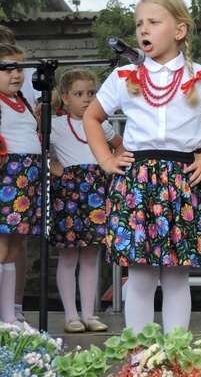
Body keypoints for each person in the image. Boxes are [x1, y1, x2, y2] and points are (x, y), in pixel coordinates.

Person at [83, 0, 201, 340]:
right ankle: (140, 353)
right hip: (138, 180)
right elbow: (92, 117)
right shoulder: (125, 75)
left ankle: (174, 352)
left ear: (179, 30)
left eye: (154, 22)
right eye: (139, 24)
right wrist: (107, 159)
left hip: (183, 178)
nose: (144, 29)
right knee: (139, 275)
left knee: (176, 275)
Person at [50, 68, 124, 333]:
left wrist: (113, 163)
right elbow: (35, 147)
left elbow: (121, 146)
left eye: (91, 93)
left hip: (96, 191)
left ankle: (89, 314)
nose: (86, 98)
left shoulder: (101, 125)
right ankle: (71, 315)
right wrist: (54, 168)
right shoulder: (55, 124)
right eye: (78, 94)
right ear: (65, 98)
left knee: (92, 256)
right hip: (68, 194)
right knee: (69, 257)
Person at [0, 26, 41, 324]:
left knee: (15, 245)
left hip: (27, 178)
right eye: (7, 69)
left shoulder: (22, 101)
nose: (16, 75)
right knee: (2, 245)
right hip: (8, 177)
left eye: (19, 68)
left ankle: (9, 314)